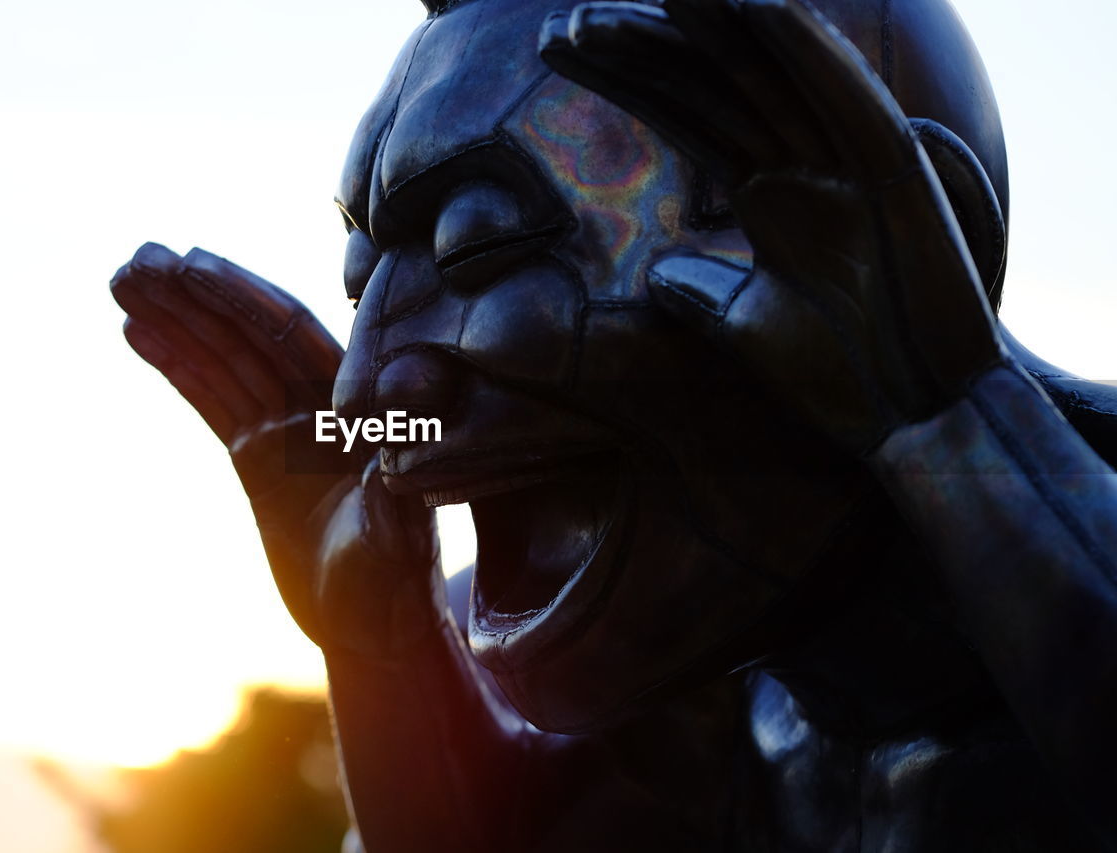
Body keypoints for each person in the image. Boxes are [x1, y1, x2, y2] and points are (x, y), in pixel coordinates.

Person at [110, 0, 1117, 848]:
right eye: (364, 280)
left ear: (898, 241)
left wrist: (942, 419)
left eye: (480, 242)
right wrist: (386, 654)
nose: (369, 392)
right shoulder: (696, 702)